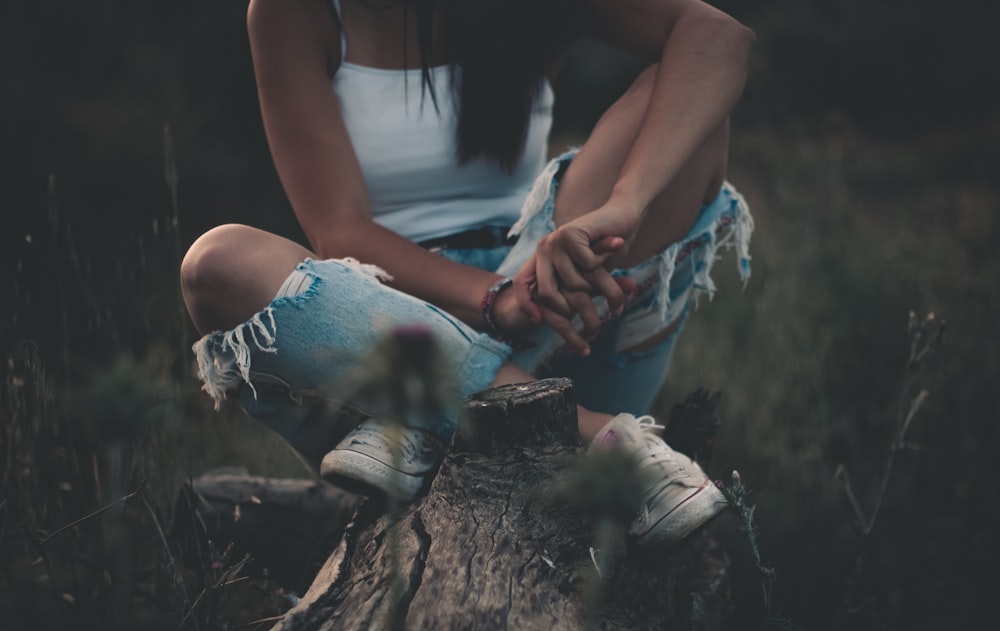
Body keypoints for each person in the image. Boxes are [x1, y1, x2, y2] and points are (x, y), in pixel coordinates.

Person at [180, 0, 755, 548]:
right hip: (385, 326)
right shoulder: (296, 12)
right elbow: (340, 231)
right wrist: (494, 298)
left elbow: (718, 36)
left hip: (552, 308)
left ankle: (426, 421)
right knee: (220, 265)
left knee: (686, 104)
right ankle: (592, 433)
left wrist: (622, 209)